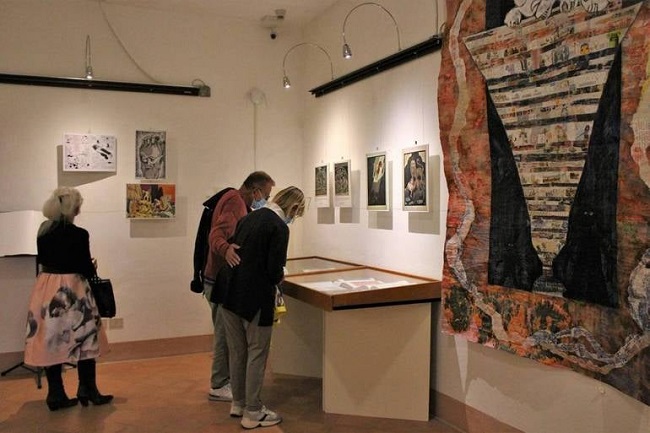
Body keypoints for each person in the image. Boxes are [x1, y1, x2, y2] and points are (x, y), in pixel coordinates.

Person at [221, 186, 306, 429]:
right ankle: (253, 411)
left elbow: (236, 250)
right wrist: (280, 275)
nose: (294, 218)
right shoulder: (278, 227)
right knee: (257, 353)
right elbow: (273, 270)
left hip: (230, 294)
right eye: (297, 213)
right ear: (294, 207)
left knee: (238, 352)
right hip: (255, 298)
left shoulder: (249, 218)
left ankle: (238, 403)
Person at [23, 187, 113, 411]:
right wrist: (91, 266)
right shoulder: (79, 234)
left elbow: (45, 259)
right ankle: (88, 389)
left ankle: (56, 394)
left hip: (46, 288)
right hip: (73, 288)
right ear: (74, 208)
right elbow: (84, 266)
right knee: (84, 336)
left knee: (50, 340)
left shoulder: (43, 231)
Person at [202, 171, 275, 402]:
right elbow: (216, 235)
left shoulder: (238, 202)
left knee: (227, 335)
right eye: (266, 194)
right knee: (224, 336)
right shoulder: (235, 201)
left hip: (220, 280)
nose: (265, 199)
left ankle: (228, 381)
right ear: (255, 190)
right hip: (220, 281)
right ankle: (219, 384)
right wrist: (226, 250)